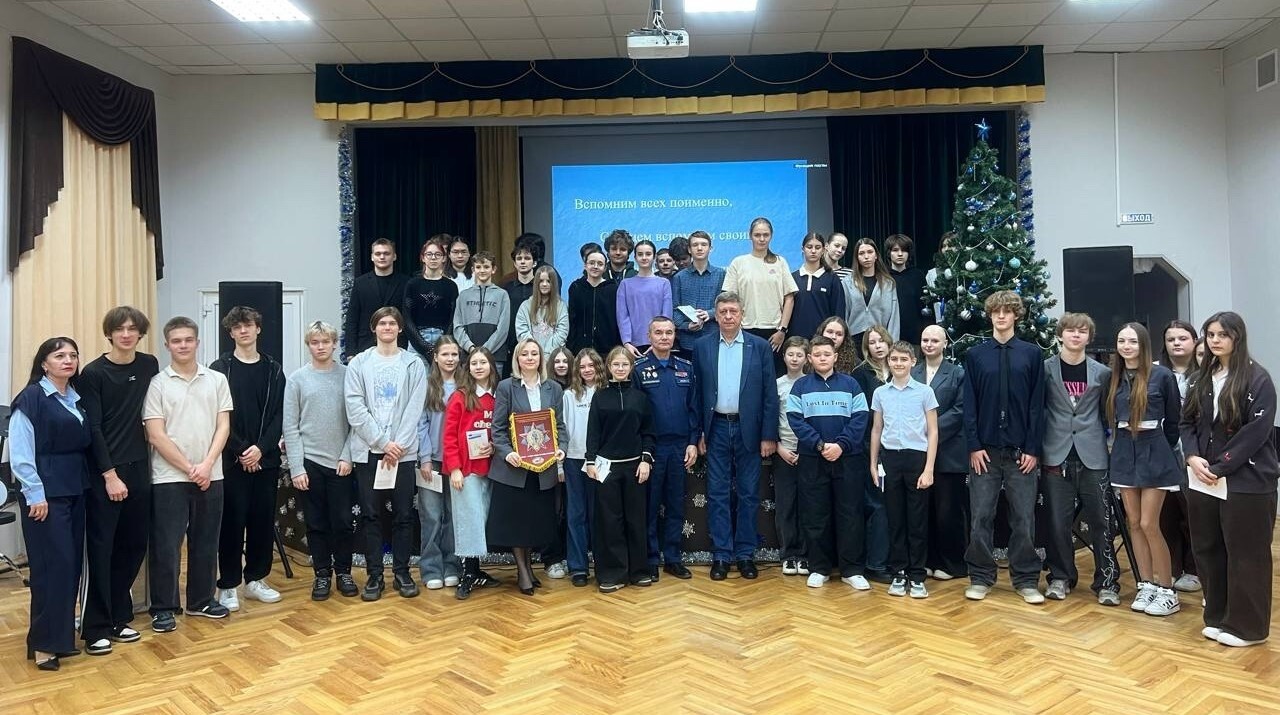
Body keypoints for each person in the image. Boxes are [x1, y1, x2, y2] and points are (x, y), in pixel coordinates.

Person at [1181, 311, 1277, 647]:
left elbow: (1256, 432)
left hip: (1246, 481)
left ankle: (1248, 628)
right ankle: (1219, 617)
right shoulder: (1200, 379)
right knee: (1208, 548)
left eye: (1222, 334)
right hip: (1203, 478)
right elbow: (1186, 423)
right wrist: (1192, 457)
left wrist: (1219, 467)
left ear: (1237, 337)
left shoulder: (1258, 379)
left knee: (1246, 553)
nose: (1215, 340)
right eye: (1210, 335)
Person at [78, 307, 159, 655]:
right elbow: (93, 428)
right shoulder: (93, 373)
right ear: (109, 333)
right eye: (119, 329)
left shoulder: (149, 365)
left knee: (134, 545)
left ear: (140, 333)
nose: (126, 334)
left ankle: (118, 617)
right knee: (102, 549)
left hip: (140, 468)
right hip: (105, 473)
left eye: (132, 329)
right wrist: (109, 475)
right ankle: (95, 626)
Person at [144, 317, 233, 633]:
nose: (183, 345)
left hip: (212, 474)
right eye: (176, 341)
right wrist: (190, 468)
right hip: (169, 478)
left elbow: (223, 426)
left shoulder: (217, 380)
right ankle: (163, 607)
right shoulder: (158, 384)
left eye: (188, 340)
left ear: (197, 342)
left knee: (206, 541)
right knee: (167, 546)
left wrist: (206, 465)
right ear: (167, 345)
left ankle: (201, 600)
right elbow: (156, 434)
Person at [10, 337, 92, 670]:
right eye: (59, 356)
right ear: (44, 363)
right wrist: (35, 493)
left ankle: (60, 638)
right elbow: (20, 451)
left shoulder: (75, 397)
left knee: (70, 567)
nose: (68, 360)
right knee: (51, 567)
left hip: (75, 488)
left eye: (73, 355)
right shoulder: (31, 398)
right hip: (45, 496)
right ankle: (44, 644)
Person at [962, 290, 1046, 605]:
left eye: (1007, 311)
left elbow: (1037, 405)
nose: (1001, 316)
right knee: (981, 516)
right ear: (990, 315)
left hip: (1021, 452)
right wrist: (973, 445)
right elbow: (969, 404)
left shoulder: (1031, 354)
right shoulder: (976, 355)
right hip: (984, 452)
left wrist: (1032, 449)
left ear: (1016, 316)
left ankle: (1025, 579)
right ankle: (981, 577)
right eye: (996, 311)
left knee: (1023, 518)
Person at [692, 291, 779, 580]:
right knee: (717, 493)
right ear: (715, 316)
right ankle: (721, 555)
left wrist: (768, 435)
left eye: (733, 311)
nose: (728, 316)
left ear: (742, 314)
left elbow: (769, 394)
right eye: (723, 312)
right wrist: (698, 432)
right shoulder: (702, 346)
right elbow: (696, 394)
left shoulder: (760, 346)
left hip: (749, 429)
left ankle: (744, 555)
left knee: (749, 493)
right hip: (715, 427)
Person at [345, 307, 428, 601]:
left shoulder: (414, 364)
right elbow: (355, 408)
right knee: (371, 515)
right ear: (374, 328)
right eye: (382, 323)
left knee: (404, 515)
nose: (388, 327)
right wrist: (382, 442)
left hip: (402, 453)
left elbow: (415, 408)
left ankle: (402, 573)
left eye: (393, 323)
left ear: (400, 328)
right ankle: (375, 575)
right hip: (369, 452)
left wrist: (397, 445)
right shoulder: (359, 364)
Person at [210, 306, 287, 611]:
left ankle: (256, 580)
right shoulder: (219, 368)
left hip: (265, 460)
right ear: (231, 333)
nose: (243, 331)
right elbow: (218, 416)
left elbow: (279, 414)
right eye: (237, 327)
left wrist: (261, 449)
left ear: (258, 329)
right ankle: (228, 585)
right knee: (231, 522)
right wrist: (243, 450)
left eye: (248, 325)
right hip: (232, 460)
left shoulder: (273, 369)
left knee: (262, 522)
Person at [1041, 313, 1119, 605]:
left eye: (1082, 331)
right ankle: (1060, 577)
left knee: (1102, 521)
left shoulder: (1102, 373)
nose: (1076, 335)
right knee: (1057, 522)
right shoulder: (1045, 369)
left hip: (1094, 456)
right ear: (1060, 334)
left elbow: (1108, 414)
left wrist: (1110, 447)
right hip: (1055, 454)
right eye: (1071, 330)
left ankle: (1107, 582)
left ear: (1089, 337)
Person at [1107, 322, 1184, 617]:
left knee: (1151, 524)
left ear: (1143, 345)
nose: (1126, 346)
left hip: (1155, 449)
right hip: (1124, 450)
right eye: (1121, 341)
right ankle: (1146, 584)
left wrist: (1163, 448)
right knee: (1134, 523)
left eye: (1133, 341)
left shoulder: (1162, 375)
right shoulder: (1113, 376)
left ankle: (1167, 590)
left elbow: (1175, 422)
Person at [786, 336, 869, 590]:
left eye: (827, 354)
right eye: (817, 354)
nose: (822, 358)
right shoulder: (800, 386)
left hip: (847, 459)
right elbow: (795, 419)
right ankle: (819, 568)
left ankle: (851, 570)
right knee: (815, 514)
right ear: (810, 358)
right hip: (813, 459)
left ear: (835, 357)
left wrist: (841, 445)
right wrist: (820, 445)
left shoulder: (851, 384)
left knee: (850, 514)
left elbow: (860, 418)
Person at [283, 321, 358, 601]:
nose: (321, 347)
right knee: (316, 523)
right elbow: (291, 426)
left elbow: (357, 422)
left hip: (341, 463)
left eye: (326, 341)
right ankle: (322, 574)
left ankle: (344, 572)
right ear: (309, 346)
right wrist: (297, 467)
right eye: (315, 342)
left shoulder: (348, 376)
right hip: (309, 462)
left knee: (342, 522)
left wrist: (347, 455)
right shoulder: (297, 379)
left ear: (335, 344)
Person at [488, 338, 567, 594]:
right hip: (514, 469)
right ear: (517, 359)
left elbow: (560, 426)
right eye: (525, 354)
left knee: (533, 522)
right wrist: (507, 453)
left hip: (543, 469)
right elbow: (498, 429)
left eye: (534, 353)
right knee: (516, 524)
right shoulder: (506, 387)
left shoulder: (554, 388)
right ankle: (523, 572)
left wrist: (561, 448)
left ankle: (529, 569)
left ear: (541, 358)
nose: (530, 358)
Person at [585, 347, 657, 592]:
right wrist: (590, 461)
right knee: (609, 522)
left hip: (635, 467)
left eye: (624, 364)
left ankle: (638, 571)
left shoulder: (640, 398)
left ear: (631, 367)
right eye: (615, 364)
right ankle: (613, 574)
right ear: (608, 367)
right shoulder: (600, 397)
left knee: (636, 520)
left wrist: (646, 460)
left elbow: (648, 432)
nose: (620, 368)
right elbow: (593, 432)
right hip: (607, 468)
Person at [632, 317, 699, 581]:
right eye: (658, 332)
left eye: (669, 332)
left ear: (675, 336)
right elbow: (635, 415)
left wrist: (693, 441)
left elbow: (694, 407)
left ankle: (672, 558)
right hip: (653, 448)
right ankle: (650, 559)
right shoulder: (639, 370)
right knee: (649, 505)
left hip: (680, 446)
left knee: (675, 504)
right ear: (649, 336)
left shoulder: (685, 368)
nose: (664, 337)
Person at [869, 341, 938, 598]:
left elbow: (933, 431)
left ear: (912, 362)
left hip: (916, 459)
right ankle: (898, 572)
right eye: (894, 359)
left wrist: (929, 468)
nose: (898, 363)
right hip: (890, 460)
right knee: (895, 519)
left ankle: (917, 575)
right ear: (889, 361)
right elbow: (876, 430)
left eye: (903, 359)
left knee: (917, 520)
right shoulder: (880, 393)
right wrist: (873, 464)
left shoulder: (924, 392)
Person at [442, 347, 501, 600]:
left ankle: (476, 570)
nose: (478, 367)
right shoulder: (460, 397)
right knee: (468, 520)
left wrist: (495, 446)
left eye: (483, 362)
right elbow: (449, 436)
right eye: (474, 363)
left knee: (482, 520)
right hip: (466, 471)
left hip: (493, 469)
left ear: (491, 366)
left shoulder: (499, 396)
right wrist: (454, 468)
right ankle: (467, 573)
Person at [913, 325, 968, 581]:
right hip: (917, 452)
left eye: (935, 340)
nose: (929, 344)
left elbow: (960, 410)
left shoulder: (957, 373)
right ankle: (927, 560)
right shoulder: (912, 372)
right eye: (925, 339)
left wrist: (929, 428)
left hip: (949, 452)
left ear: (945, 343)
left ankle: (952, 564)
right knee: (923, 511)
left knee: (948, 512)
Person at [414, 336, 462, 591]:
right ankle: (431, 568)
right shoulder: (426, 385)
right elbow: (420, 424)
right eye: (445, 354)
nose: (450, 359)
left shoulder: (466, 385)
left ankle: (452, 565)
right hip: (431, 461)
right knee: (431, 517)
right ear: (435, 357)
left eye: (454, 354)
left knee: (453, 517)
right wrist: (424, 458)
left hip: (458, 464)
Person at [721, 217, 798, 375]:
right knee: (746, 377)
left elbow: (789, 298)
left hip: (774, 332)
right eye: (757, 235)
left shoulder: (780, 262)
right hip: (745, 330)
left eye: (765, 235)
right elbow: (729, 299)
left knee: (773, 377)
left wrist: (782, 330)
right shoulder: (738, 262)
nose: (762, 239)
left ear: (771, 236)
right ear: (750, 236)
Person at [1159, 319, 1202, 593]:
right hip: (1162, 452)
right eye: (1171, 339)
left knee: (1193, 514)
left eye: (1182, 338)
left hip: (1194, 454)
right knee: (1167, 514)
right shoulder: (1156, 372)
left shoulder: (1205, 374)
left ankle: (1195, 569)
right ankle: (1173, 568)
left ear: (1194, 342)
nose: (1176, 343)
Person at [852, 326, 894, 583]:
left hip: (900, 447)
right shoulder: (861, 374)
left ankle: (895, 560)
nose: (878, 346)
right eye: (872, 342)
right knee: (877, 506)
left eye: (881, 341)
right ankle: (875, 563)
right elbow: (861, 415)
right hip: (871, 447)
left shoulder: (900, 368)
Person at [563, 348, 606, 587]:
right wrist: (560, 465)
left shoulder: (606, 392)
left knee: (599, 514)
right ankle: (578, 567)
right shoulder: (569, 395)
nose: (587, 370)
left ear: (599, 366)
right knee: (576, 514)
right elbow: (564, 428)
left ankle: (602, 564)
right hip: (574, 459)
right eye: (582, 367)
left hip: (601, 461)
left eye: (591, 365)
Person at [775, 336, 809, 577]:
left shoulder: (812, 384)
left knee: (807, 506)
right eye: (791, 354)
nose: (795, 359)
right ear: (784, 356)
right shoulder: (777, 385)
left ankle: (805, 555)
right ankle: (788, 555)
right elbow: (770, 418)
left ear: (807, 358)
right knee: (785, 505)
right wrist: (779, 448)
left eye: (799, 355)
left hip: (809, 452)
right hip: (784, 451)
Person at [345, 238, 409, 360]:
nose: (382, 257)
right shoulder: (360, 283)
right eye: (378, 254)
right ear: (372, 257)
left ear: (394, 256)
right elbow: (352, 319)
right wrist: (350, 352)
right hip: (365, 346)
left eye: (386, 253)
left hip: (398, 346)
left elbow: (408, 318)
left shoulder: (406, 283)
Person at [452, 251, 511, 375]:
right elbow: (457, 326)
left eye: (486, 267)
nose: (482, 270)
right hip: (468, 355)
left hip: (495, 355)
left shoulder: (502, 295)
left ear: (493, 269)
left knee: (493, 387)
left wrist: (485, 350)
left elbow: (503, 329)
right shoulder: (463, 295)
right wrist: (471, 348)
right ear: (473, 270)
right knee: (467, 387)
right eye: (478, 267)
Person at [403, 236, 458, 365]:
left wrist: (443, 342)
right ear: (423, 258)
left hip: (442, 338)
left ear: (444, 258)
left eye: (438, 254)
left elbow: (453, 318)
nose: (433, 258)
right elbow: (407, 317)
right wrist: (423, 345)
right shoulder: (412, 284)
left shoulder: (451, 286)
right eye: (429, 254)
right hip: (417, 339)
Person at [670, 230, 726, 355]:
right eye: (695, 245)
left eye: (704, 244)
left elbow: (725, 305)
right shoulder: (679, 277)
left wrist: (710, 314)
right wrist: (686, 325)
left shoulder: (721, 274)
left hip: (713, 337)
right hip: (687, 341)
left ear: (710, 248)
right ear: (689, 250)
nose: (699, 248)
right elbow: (674, 308)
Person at [616, 240, 673, 358]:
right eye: (640, 254)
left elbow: (666, 316)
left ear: (654, 257)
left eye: (648, 254)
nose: (644, 257)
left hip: (659, 343)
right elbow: (622, 316)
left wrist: (660, 339)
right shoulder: (625, 284)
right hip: (632, 346)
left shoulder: (664, 283)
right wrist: (626, 342)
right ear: (635, 257)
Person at [790, 232, 847, 345]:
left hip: (822, 341)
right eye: (809, 247)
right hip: (796, 341)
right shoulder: (793, 278)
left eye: (817, 247)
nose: (813, 251)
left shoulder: (832, 279)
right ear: (803, 249)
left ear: (823, 250)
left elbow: (838, 313)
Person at [843, 238, 900, 347]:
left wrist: (893, 344)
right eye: (861, 253)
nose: (866, 256)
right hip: (854, 339)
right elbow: (844, 313)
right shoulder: (847, 282)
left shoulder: (888, 283)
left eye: (870, 252)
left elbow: (894, 316)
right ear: (857, 257)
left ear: (876, 255)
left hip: (881, 339)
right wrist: (845, 341)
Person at [501, 236, 540, 375]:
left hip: (537, 342)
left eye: (527, 258)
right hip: (511, 344)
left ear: (534, 263)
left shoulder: (541, 287)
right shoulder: (506, 288)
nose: (523, 262)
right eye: (519, 258)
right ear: (515, 263)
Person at [516, 265, 569, 356]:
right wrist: (536, 352)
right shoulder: (525, 306)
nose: (544, 284)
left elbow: (562, 333)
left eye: (548, 281)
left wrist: (547, 353)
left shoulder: (561, 306)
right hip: (532, 357)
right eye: (541, 281)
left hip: (554, 357)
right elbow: (522, 332)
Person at [885, 234, 927, 348]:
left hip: (915, 337)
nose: (900, 254)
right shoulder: (883, 276)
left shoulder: (917, 276)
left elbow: (925, 306)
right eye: (895, 250)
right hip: (889, 336)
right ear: (889, 253)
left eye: (904, 250)